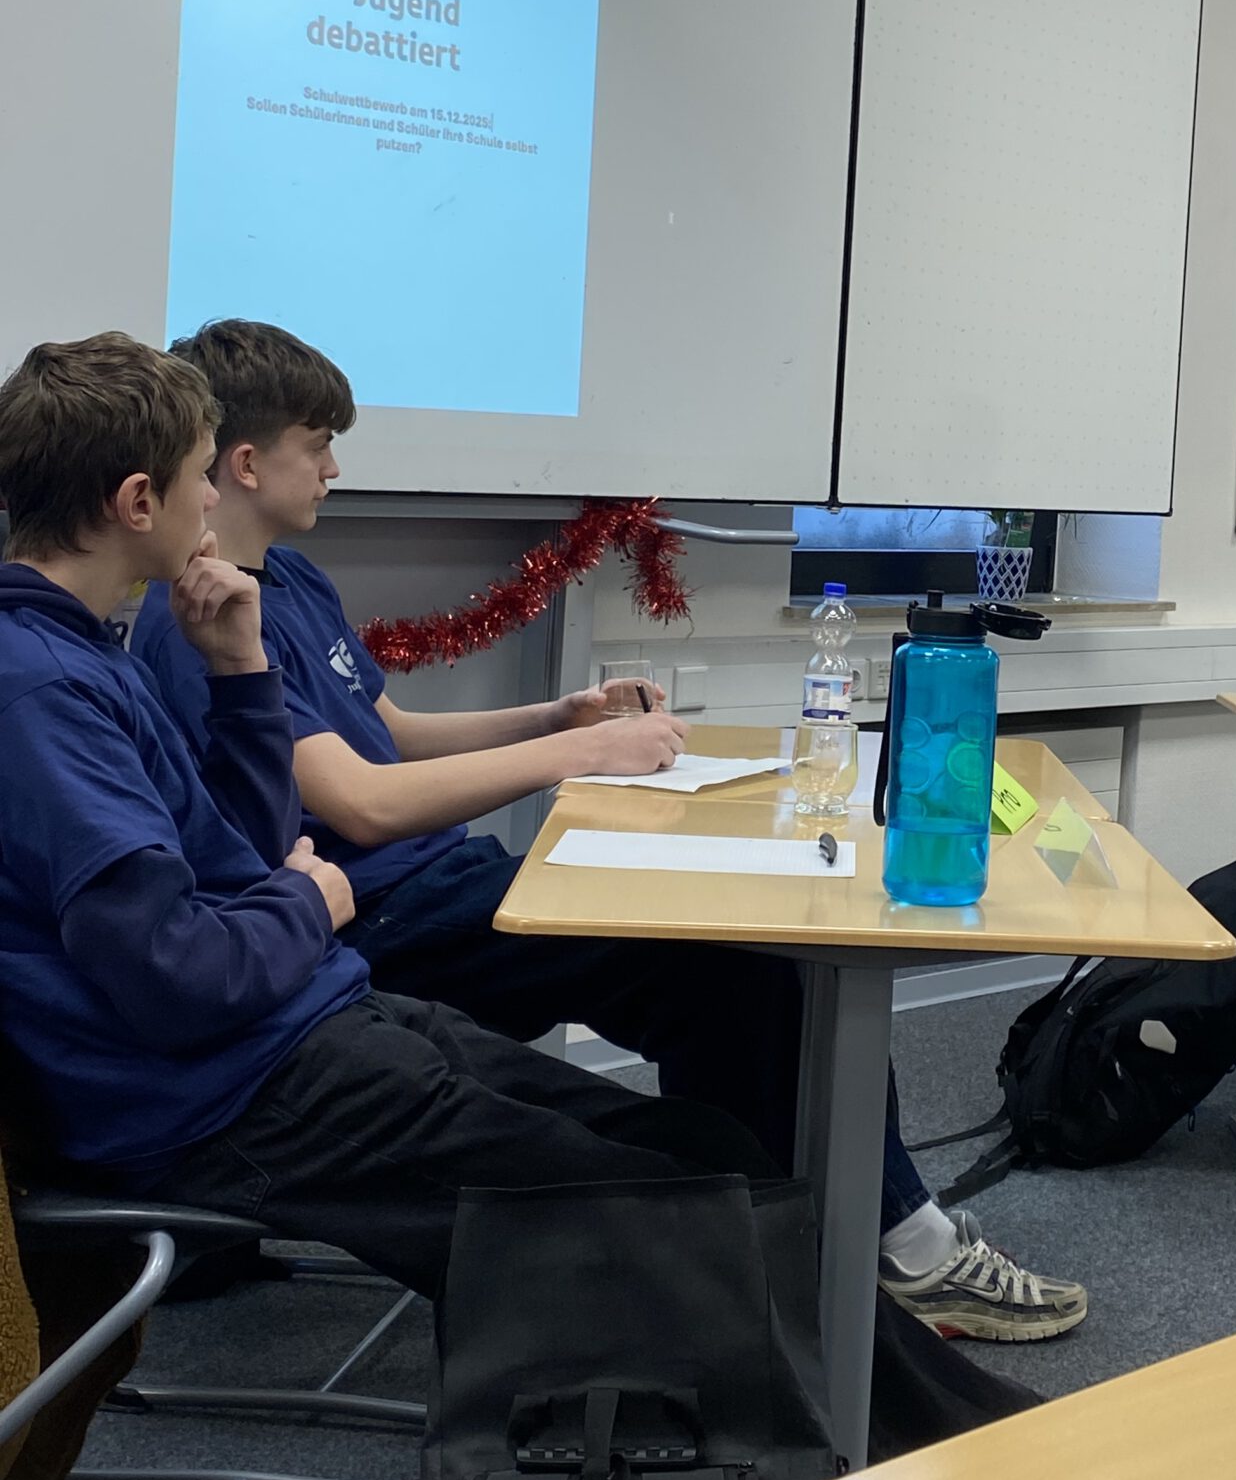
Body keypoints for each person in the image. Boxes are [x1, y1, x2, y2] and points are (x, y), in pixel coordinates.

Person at [134, 319, 1085, 1343]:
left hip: (432, 884)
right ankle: (886, 1252)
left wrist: (558, 717)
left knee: (743, 969)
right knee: (731, 971)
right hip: (367, 921)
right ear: (244, 464)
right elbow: (363, 801)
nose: (333, 468)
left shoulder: (289, 582)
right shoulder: (202, 625)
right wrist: (579, 755)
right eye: (317, 445)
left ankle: (796, 1246)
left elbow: (390, 732)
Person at [0, 331, 785, 1291]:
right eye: (197, 476)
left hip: (293, 1005)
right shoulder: (48, 686)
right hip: (230, 1072)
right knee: (674, 1212)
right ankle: (868, 1352)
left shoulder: (109, 646)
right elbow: (178, 963)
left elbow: (254, 848)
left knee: (704, 1152)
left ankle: (825, 1325)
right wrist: (307, 903)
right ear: (137, 502)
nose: (206, 500)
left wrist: (242, 672)